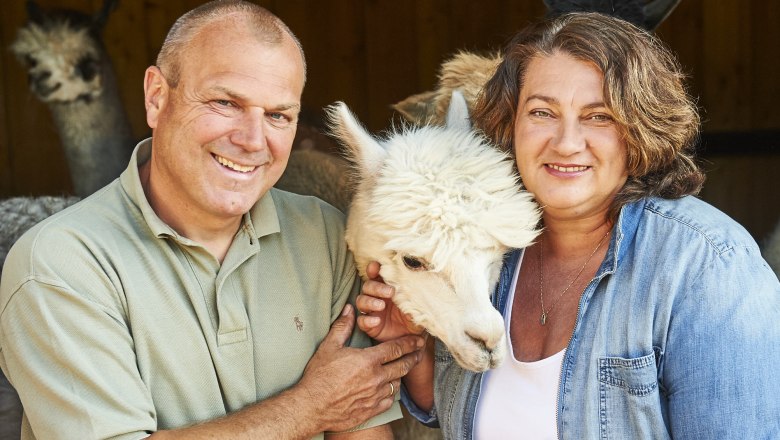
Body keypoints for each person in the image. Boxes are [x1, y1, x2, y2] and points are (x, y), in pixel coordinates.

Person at [0, 1, 426, 439]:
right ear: (156, 97)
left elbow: (362, 427)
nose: (252, 140)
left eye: (278, 115)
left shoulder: (325, 234)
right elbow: (329, 406)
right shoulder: (59, 264)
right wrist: (309, 407)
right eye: (225, 102)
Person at [356, 12, 780, 439]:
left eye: (599, 116)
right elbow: (475, 412)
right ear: (511, 122)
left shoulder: (707, 266)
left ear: (641, 128)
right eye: (542, 112)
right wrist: (415, 345)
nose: (566, 142)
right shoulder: (489, 244)